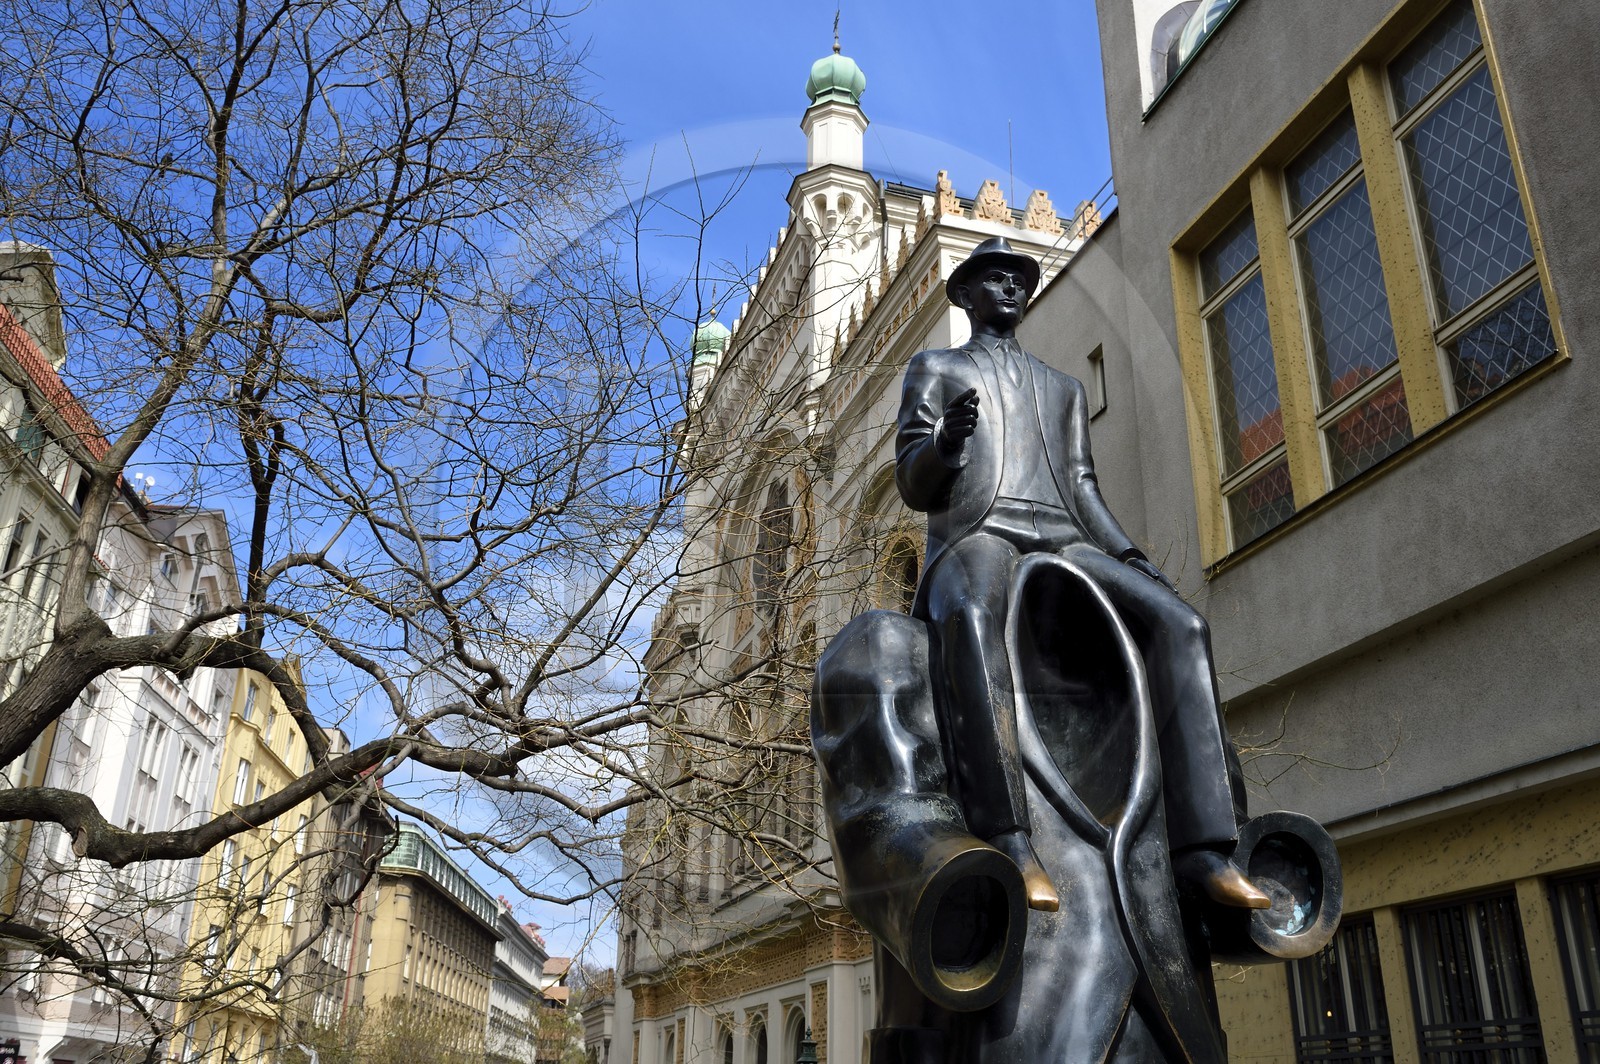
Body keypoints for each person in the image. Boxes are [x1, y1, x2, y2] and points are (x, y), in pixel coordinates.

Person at [895, 236, 1268, 913]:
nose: (1011, 287)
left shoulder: (1062, 387)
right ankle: (1009, 839)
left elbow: (1084, 486)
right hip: (978, 536)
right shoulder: (936, 368)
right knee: (972, 617)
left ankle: (1207, 848)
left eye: (1019, 278)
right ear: (966, 294)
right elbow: (912, 483)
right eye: (995, 277)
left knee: (1181, 623)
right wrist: (945, 442)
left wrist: (1128, 556)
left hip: (1064, 538)